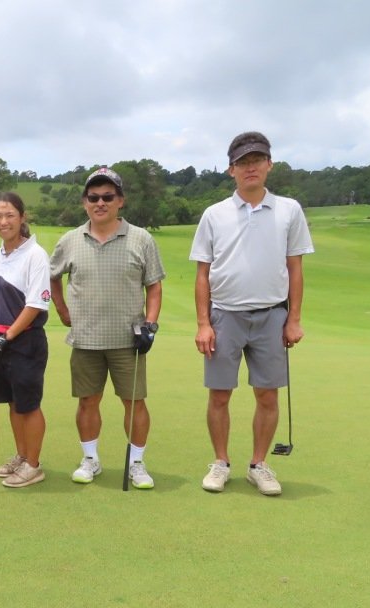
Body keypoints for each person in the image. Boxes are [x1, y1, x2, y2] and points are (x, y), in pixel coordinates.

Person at [190, 131, 313, 496]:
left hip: (272, 316)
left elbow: (295, 269)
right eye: (243, 162)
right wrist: (202, 323)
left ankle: (259, 464)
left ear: (269, 165)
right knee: (219, 395)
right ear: (231, 170)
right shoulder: (215, 214)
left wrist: (293, 319)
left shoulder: (289, 209)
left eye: (257, 160)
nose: (251, 168)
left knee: (268, 395)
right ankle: (221, 462)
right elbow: (202, 273)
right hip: (224, 316)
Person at [49, 167, 165, 488]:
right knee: (87, 401)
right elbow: (52, 276)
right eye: (93, 197)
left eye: (107, 197)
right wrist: (61, 310)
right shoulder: (70, 240)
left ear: (120, 201)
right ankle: (91, 459)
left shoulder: (141, 238)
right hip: (85, 339)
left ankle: (136, 463)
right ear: (85, 202)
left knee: (134, 402)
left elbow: (154, 286)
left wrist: (151, 324)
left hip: (129, 339)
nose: (100, 202)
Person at [0, 192, 51, 488]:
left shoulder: (36, 255)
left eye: (9, 215)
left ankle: (34, 465)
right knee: (12, 402)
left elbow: (35, 305)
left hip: (24, 342)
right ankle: (21, 455)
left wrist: (6, 336)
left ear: (22, 218)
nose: (3, 221)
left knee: (28, 405)